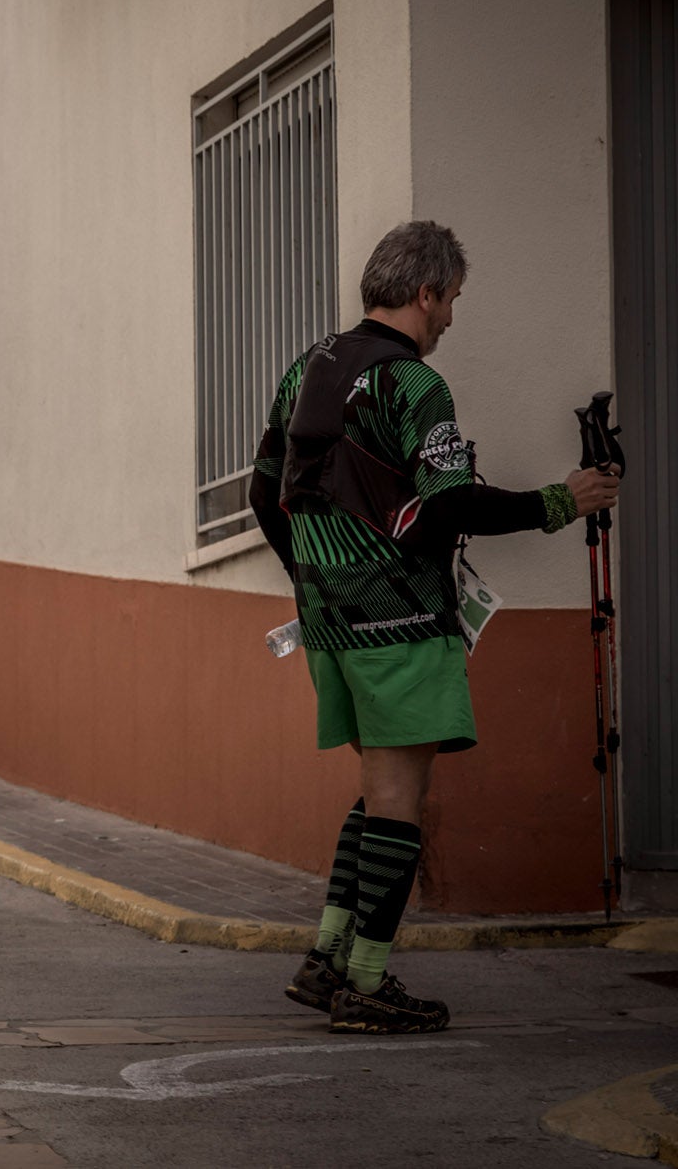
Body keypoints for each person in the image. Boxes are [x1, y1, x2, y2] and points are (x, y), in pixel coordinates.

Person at [250, 220, 619, 1035]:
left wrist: (313, 577)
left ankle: (327, 960)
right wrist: (562, 501)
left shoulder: (308, 367)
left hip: (330, 623)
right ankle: (368, 983)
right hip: (400, 620)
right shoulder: (415, 386)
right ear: (424, 292)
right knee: (398, 801)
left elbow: (264, 491)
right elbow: (448, 503)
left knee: (378, 790)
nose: (451, 316)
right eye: (451, 300)